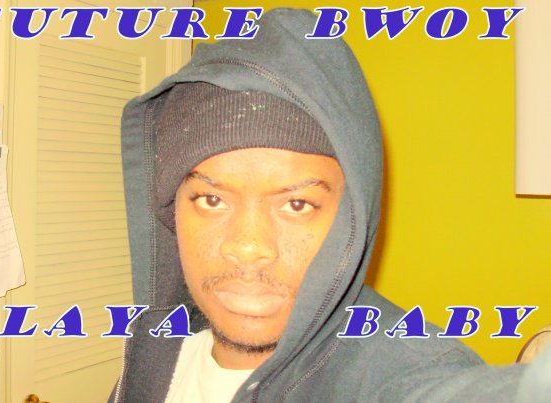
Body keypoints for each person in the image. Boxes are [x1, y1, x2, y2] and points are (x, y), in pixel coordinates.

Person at [110, 7, 545, 403]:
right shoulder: (159, 350)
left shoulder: (391, 373)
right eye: (211, 199)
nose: (247, 247)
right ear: (170, 209)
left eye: (297, 204)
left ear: (350, 220)